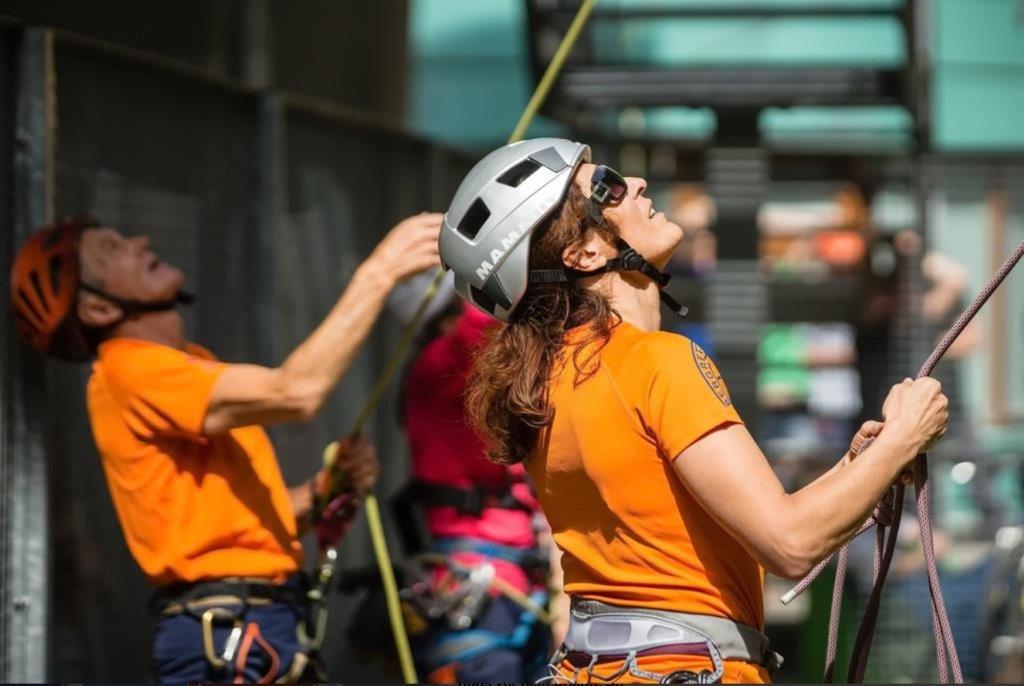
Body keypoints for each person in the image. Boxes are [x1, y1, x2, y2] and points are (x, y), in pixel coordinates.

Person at [437, 138, 950, 683]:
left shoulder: (550, 380)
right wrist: (904, 437)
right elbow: (791, 543)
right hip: (689, 666)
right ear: (583, 254)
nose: (635, 184)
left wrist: (859, 470)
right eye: (606, 187)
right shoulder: (657, 361)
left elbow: (678, 525)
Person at [10, 210, 441, 682]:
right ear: (97, 309)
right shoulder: (131, 371)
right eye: (111, 249)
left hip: (251, 626)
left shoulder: (187, 365)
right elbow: (296, 392)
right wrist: (379, 273)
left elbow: (239, 526)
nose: (139, 239)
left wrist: (323, 491)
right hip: (230, 633)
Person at [388, 271, 552, 683]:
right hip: (479, 580)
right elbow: (483, 321)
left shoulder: (448, 377)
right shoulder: (438, 367)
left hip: (512, 577)